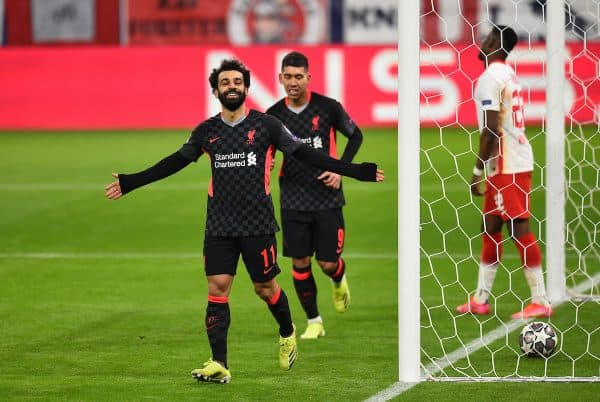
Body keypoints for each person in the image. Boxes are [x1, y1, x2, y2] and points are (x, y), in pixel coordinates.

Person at [105, 58, 384, 383]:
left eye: (237, 82)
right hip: (220, 225)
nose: (232, 87)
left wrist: (353, 171)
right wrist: (131, 181)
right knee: (217, 288)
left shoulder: (267, 126)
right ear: (216, 90)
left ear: (246, 88)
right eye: (225, 83)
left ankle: (287, 330)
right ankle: (219, 362)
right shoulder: (207, 131)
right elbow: (173, 163)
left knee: (265, 289)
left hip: (258, 224)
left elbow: (307, 155)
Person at [456, 25, 553, 319]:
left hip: (508, 164)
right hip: (508, 162)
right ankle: (481, 298)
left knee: (517, 229)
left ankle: (541, 300)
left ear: (495, 44)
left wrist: (476, 170)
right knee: (491, 227)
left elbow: (490, 130)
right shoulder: (507, 74)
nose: (481, 42)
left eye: (486, 38)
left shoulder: (490, 77)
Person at [265, 51, 363, 340]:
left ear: (308, 77)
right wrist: (267, 162)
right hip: (293, 199)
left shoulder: (328, 108)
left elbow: (355, 135)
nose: (293, 82)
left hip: (326, 197)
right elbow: (266, 148)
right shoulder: (273, 115)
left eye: (299, 76)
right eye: (288, 76)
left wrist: (341, 170)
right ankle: (314, 321)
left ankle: (338, 277)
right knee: (299, 263)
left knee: (328, 263)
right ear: (280, 78)